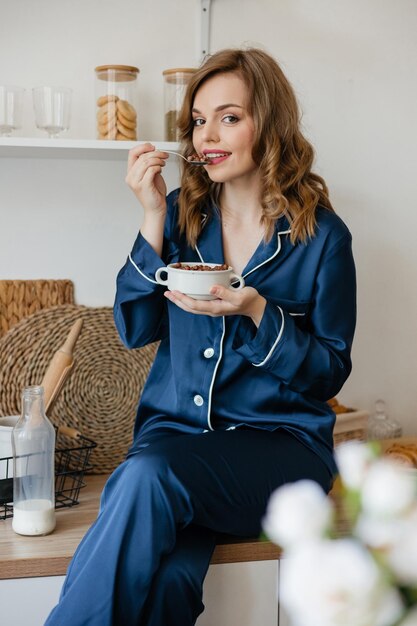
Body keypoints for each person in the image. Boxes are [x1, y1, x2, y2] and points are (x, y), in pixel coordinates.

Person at [45, 47, 356, 626]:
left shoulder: (322, 238)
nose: (207, 134)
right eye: (198, 119)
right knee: (168, 580)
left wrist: (258, 310)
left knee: (147, 475)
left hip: (279, 454)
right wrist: (151, 216)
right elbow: (134, 328)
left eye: (229, 117)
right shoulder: (183, 218)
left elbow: (329, 372)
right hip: (176, 446)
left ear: (270, 122)